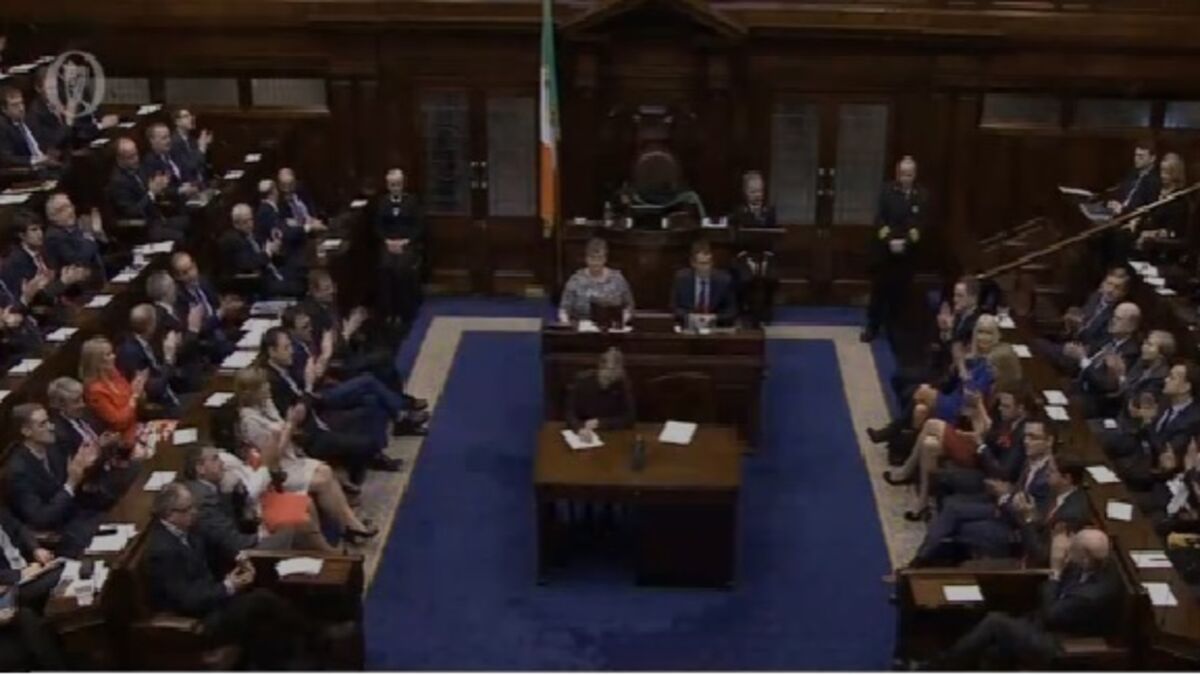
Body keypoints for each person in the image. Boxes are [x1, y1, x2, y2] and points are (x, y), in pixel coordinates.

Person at [143, 483, 328, 668]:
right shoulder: (163, 551)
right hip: (200, 619)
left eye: (194, 506)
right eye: (188, 509)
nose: (195, 512)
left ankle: (290, 656)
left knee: (265, 606)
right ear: (170, 514)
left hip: (214, 599)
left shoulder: (189, 528)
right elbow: (188, 599)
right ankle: (314, 636)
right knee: (260, 600)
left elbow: (217, 550)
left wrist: (239, 561)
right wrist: (228, 586)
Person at [927, 529, 1121, 670]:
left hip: (1057, 645)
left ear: (1086, 558)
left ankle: (939, 667)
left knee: (995, 621)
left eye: (1073, 550)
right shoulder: (1088, 563)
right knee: (992, 646)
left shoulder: (1091, 595)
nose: (1068, 551)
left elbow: (1051, 614)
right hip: (1042, 623)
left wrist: (1055, 571)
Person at [235, 367, 378, 543]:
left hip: (290, 459)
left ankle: (349, 524)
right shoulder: (250, 421)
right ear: (252, 392)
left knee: (326, 471)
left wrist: (289, 427)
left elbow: (283, 428)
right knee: (322, 481)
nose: (268, 387)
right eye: (262, 385)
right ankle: (351, 526)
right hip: (275, 472)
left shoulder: (266, 404)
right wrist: (290, 425)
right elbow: (271, 457)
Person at [907, 417, 1056, 564]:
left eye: (1033, 437)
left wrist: (1004, 496)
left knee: (957, 522)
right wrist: (1008, 493)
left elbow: (1033, 518)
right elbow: (1019, 491)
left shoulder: (1048, 476)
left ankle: (922, 561)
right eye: (1026, 436)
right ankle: (923, 559)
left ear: (1049, 441)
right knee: (951, 507)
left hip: (1014, 526)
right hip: (1004, 508)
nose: (1027, 441)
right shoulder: (1031, 460)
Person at [259, 328, 387, 486]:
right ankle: (351, 479)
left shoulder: (286, 367)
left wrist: (309, 386)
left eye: (290, 346)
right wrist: (308, 386)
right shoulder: (273, 382)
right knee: (367, 443)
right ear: (272, 351)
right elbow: (298, 413)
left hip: (317, 414)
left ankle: (358, 466)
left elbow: (304, 399)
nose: (291, 351)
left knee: (369, 409)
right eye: (286, 347)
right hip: (310, 436)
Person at [282, 304, 425, 437]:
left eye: (309, 324)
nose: (310, 329)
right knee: (368, 380)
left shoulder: (305, 342)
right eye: (304, 327)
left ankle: (399, 422)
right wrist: (323, 359)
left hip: (329, 382)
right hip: (320, 395)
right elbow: (309, 379)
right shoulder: (294, 352)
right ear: (292, 331)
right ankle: (403, 415)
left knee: (372, 396)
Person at [183, 445, 334, 553]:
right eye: (215, 459)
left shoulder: (210, 488)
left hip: (246, 533)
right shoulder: (204, 499)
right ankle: (332, 557)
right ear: (200, 468)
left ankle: (328, 554)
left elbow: (233, 520)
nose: (222, 463)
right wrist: (260, 535)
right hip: (242, 555)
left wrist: (238, 494)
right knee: (294, 528)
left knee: (300, 515)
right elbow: (232, 542)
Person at [4, 403, 101, 557]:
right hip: (58, 534)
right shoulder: (17, 471)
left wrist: (84, 467)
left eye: (49, 421)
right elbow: (41, 518)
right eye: (42, 424)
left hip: (78, 516)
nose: (51, 427)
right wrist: (71, 483)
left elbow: (73, 487)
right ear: (26, 431)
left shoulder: (54, 447)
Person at [46, 377, 139, 512]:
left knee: (140, 468)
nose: (82, 404)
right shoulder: (59, 435)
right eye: (76, 401)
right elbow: (77, 473)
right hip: (93, 486)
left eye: (82, 398)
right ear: (61, 405)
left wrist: (114, 443)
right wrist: (100, 447)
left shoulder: (85, 415)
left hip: (110, 468)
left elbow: (104, 437)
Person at [1105, 362, 1200, 493]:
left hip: (1155, 465)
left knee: (1120, 469)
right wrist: (1141, 417)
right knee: (1108, 440)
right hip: (1140, 444)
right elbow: (1146, 426)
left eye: (1172, 378)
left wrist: (1148, 421)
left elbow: (1164, 452)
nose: (1166, 380)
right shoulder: (1164, 398)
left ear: (1186, 387)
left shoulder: (1193, 420)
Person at [862, 156, 927, 344]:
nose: (906, 178)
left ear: (915, 175)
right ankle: (872, 327)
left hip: (907, 253)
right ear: (898, 174)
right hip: (885, 252)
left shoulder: (922, 195)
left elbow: (920, 225)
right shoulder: (887, 192)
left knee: (901, 293)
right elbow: (880, 220)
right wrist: (890, 240)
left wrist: (905, 242)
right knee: (879, 291)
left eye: (910, 174)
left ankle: (895, 328)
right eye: (903, 174)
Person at [2, 212, 90, 316]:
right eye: (34, 230)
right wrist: (63, 282)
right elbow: (35, 300)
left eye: (41, 229)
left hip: (61, 306)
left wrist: (74, 278)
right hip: (38, 316)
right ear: (22, 235)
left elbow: (56, 284)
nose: (40, 233)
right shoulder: (15, 263)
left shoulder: (46, 251)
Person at [105, 137, 185, 243]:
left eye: (136, 154)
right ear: (119, 160)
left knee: (193, 222)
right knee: (181, 237)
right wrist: (151, 193)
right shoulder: (118, 183)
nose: (136, 159)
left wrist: (160, 186)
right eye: (130, 157)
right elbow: (132, 212)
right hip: (141, 229)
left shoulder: (139, 169)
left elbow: (152, 190)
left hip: (157, 219)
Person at [218, 203, 304, 298]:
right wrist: (267, 253)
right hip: (258, 282)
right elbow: (248, 264)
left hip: (273, 271)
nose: (250, 225)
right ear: (236, 224)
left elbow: (266, 250)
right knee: (298, 287)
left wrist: (274, 249)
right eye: (245, 222)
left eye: (251, 220)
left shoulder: (254, 234)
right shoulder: (232, 240)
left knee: (301, 271)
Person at [374, 168, 425, 328]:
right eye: (392, 185)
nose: (395, 188)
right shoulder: (382, 202)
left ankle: (405, 311)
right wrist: (387, 241)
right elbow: (378, 226)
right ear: (388, 186)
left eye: (398, 184)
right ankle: (389, 312)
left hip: (407, 243)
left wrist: (406, 241)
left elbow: (419, 226)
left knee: (402, 270)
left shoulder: (412, 201)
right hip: (388, 243)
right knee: (386, 268)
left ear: (403, 185)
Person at [1084, 329, 1173, 419]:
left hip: (1127, 419)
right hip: (1115, 406)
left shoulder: (1160, 378)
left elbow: (1135, 403)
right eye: (1145, 343)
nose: (1144, 347)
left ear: (1161, 355)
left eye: (1150, 345)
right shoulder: (1141, 363)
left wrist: (1121, 376)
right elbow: (1125, 387)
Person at [728, 171, 779, 326]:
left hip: (765, 255)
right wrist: (747, 259)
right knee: (746, 277)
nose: (758, 195)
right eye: (753, 192)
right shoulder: (738, 212)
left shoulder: (769, 211)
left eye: (760, 191)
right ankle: (745, 310)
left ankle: (766, 310)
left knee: (771, 275)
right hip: (743, 255)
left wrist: (766, 258)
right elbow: (735, 240)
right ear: (745, 192)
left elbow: (773, 238)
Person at [115, 304, 184, 415]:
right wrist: (169, 359)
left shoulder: (142, 340)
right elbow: (155, 389)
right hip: (158, 407)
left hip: (171, 395)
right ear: (151, 325)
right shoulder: (131, 353)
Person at [170, 251, 238, 362]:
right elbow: (197, 330)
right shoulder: (179, 299)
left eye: (191, 268)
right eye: (185, 272)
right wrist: (220, 314)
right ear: (177, 277)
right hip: (206, 342)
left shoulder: (203, 282)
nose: (191, 274)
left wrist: (227, 307)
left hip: (222, 330)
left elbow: (217, 304)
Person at [79, 336, 148, 444]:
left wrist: (138, 386)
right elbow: (119, 422)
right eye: (108, 354)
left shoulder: (114, 374)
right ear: (98, 362)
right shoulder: (94, 391)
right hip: (121, 440)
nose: (114, 356)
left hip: (137, 426)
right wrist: (134, 397)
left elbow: (131, 394)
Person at [557, 238, 634, 326]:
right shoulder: (575, 280)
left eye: (599, 258)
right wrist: (567, 325)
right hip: (581, 328)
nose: (595, 263)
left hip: (611, 328)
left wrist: (621, 322)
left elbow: (629, 307)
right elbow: (563, 310)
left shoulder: (617, 279)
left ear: (605, 259)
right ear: (586, 259)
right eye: (592, 258)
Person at [565, 348, 635, 442]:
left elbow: (629, 419)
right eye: (610, 370)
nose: (612, 376)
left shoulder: (622, 384)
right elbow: (570, 414)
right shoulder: (582, 381)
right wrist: (579, 428)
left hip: (610, 435)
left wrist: (601, 423)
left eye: (617, 372)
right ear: (601, 367)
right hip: (584, 433)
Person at [43, 192, 112, 284]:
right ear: (53, 216)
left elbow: (99, 250)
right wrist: (90, 238)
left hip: (96, 280)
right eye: (63, 209)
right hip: (77, 287)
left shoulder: (75, 228)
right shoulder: (54, 236)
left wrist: (97, 233)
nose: (70, 211)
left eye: (70, 206)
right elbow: (78, 260)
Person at [670, 240, 736, 327]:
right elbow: (674, 307)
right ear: (693, 263)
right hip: (688, 326)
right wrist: (690, 317)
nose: (706, 267)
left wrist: (714, 317)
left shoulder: (724, 280)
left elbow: (731, 311)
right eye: (702, 264)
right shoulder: (681, 279)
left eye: (708, 263)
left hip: (715, 327)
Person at [0, 86, 60, 173]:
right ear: (4, 109)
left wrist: (49, 151)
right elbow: (7, 159)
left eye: (21, 103)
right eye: (15, 105)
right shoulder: (3, 127)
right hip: (27, 173)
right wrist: (36, 161)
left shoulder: (27, 121)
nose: (21, 108)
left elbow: (39, 144)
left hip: (45, 166)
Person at [142, 122, 199, 204]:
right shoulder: (150, 161)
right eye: (164, 138)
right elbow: (160, 190)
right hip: (172, 204)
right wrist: (180, 190)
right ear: (152, 141)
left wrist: (192, 183)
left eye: (169, 136)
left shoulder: (174, 152)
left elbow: (187, 171)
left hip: (189, 198)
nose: (168, 140)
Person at [169, 108, 212, 186]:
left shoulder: (192, 140)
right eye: (186, 116)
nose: (191, 118)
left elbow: (201, 164)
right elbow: (188, 168)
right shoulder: (173, 142)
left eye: (191, 116)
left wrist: (205, 146)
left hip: (201, 185)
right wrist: (201, 149)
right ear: (177, 122)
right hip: (186, 186)